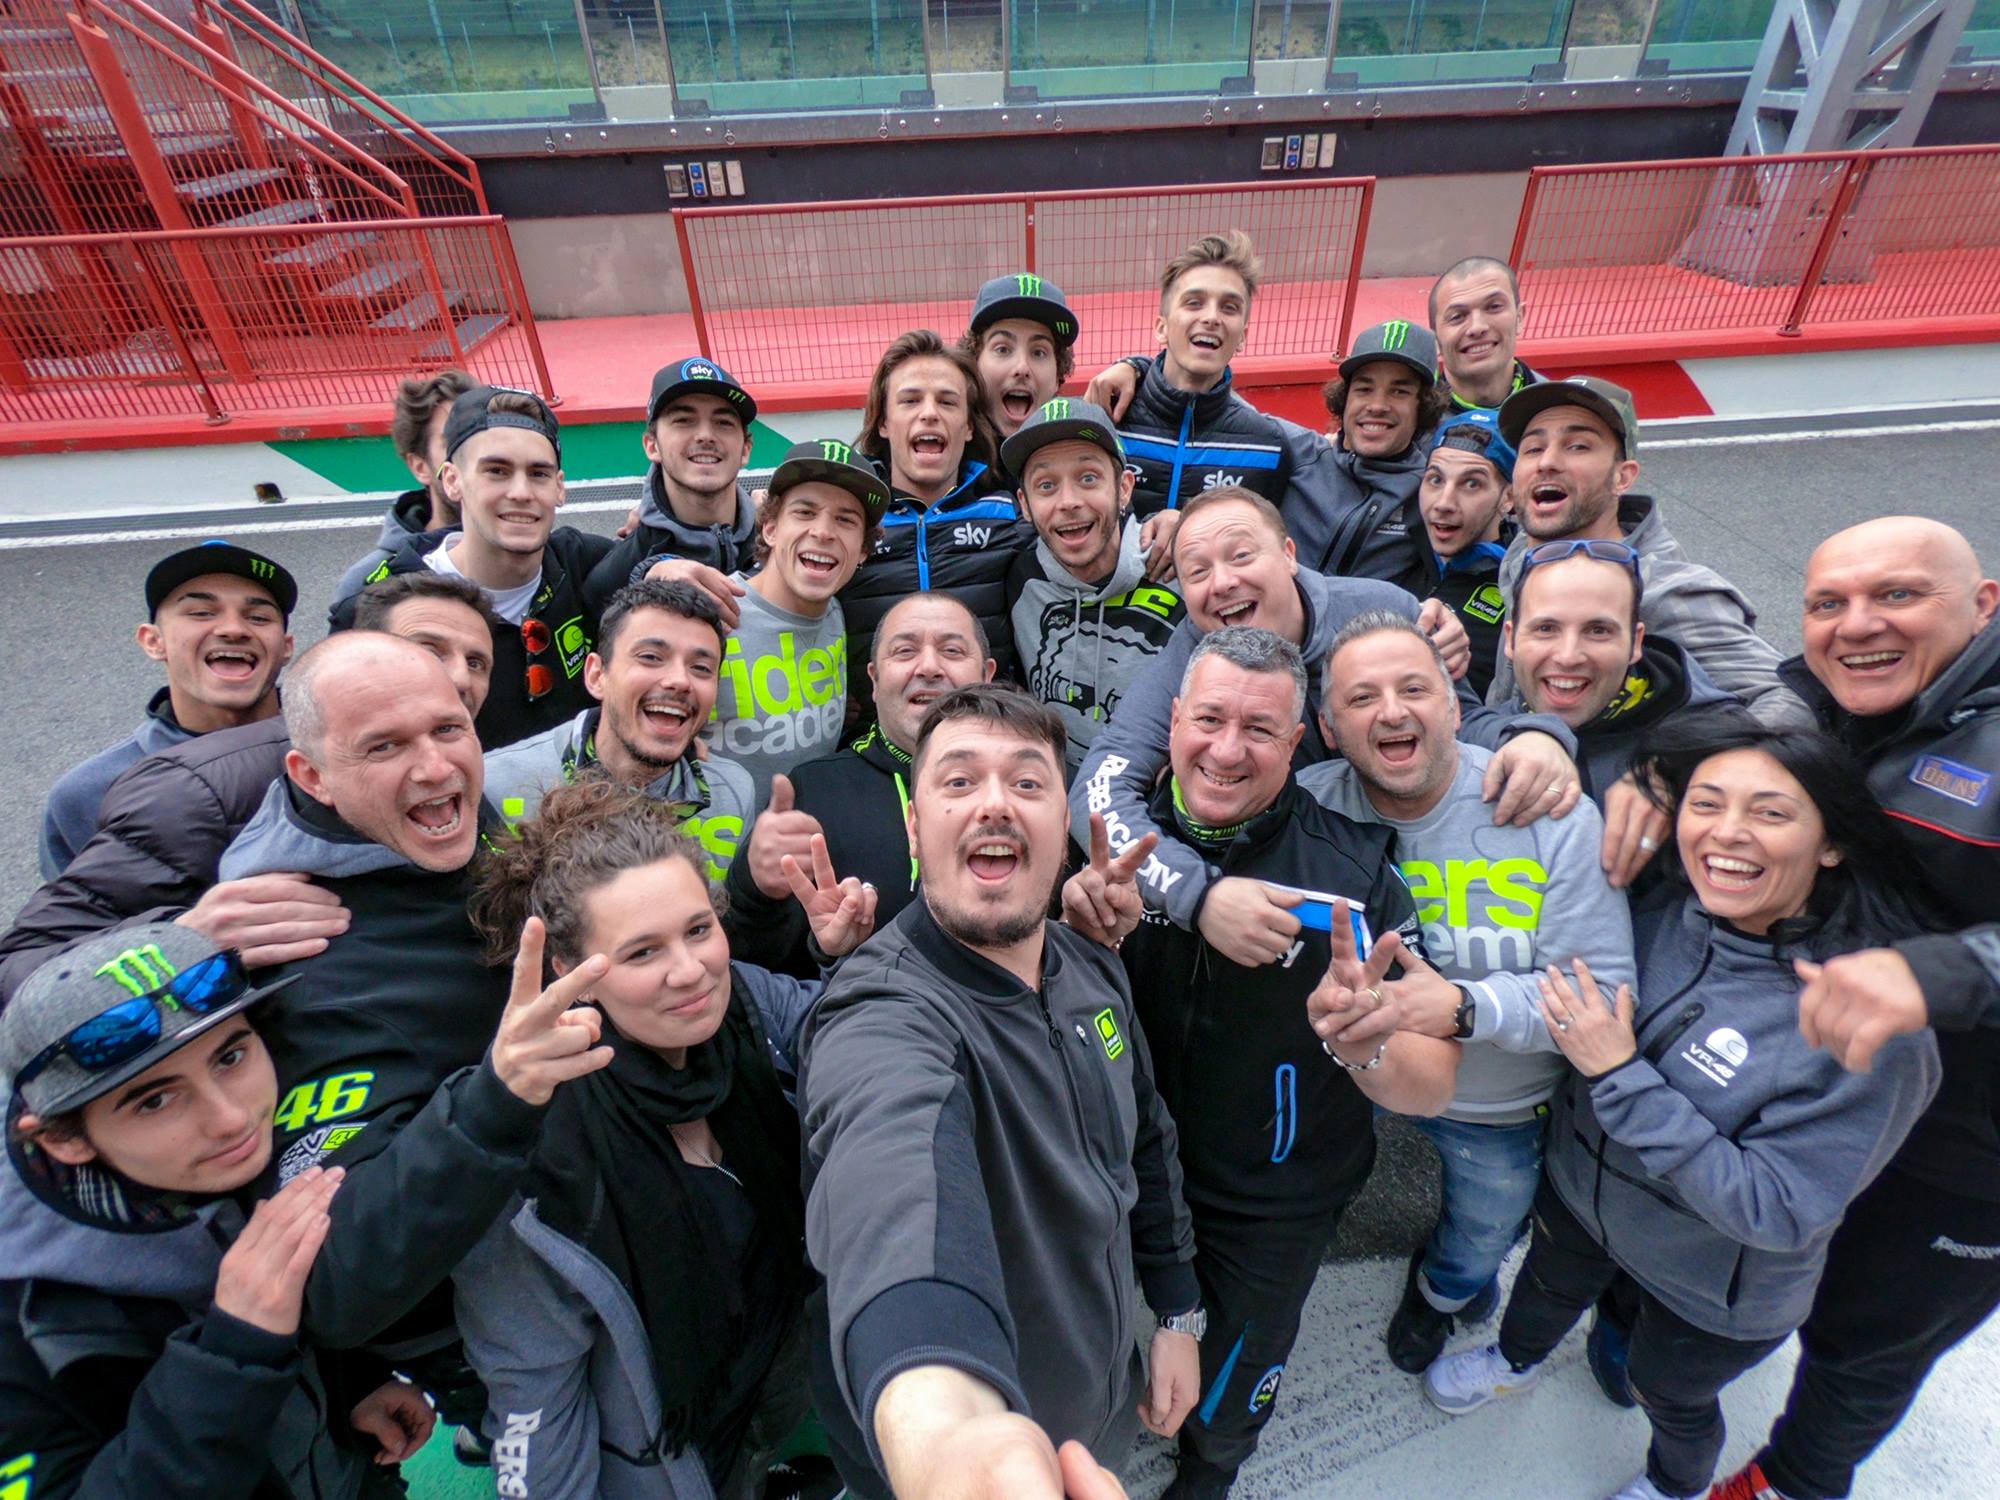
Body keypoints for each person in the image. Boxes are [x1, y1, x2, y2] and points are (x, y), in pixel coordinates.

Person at [1426, 723, 1943, 1500]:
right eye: (1708, 803)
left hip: (1715, 1289)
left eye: (1771, 813)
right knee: (1543, 1292)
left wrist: (1620, 1073)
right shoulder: (1656, 906)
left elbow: (1778, 1209)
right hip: (1582, 1200)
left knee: (1667, 1390)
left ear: (1833, 842)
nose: (1729, 832)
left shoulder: (1870, 1024)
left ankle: (1673, 1483)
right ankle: (1515, 1361)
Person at [799, 684, 1199, 1500]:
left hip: (1103, 1400)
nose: (994, 805)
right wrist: (949, 1437)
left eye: (1027, 782)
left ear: (1065, 826)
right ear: (915, 827)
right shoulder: (882, 1014)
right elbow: (895, 1186)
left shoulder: (1090, 965)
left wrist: (1177, 1312)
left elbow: (1145, 1142)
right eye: (957, 781)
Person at [1122, 627, 1460, 1498]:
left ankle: (1212, 1469)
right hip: (1118, 1171)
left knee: (1233, 1379)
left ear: (1301, 737)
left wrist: (1368, 1043)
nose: (1227, 750)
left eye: (1260, 730)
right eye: (1209, 719)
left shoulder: (1353, 874)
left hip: (1274, 1196)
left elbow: (1431, 1081)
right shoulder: (1115, 844)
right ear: (1170, 723)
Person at [220, 632, 614, 1367]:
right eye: (383, 748)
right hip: (479, 1334)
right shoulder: (303, 956)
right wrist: (499, 1096)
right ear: (312, 776)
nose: (434, 767)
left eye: (448, 728)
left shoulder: (455, 827)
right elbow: (330, 1281)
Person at [1707, 517, 2000, 1500]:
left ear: (1982, 604)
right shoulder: (1824, 693)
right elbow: (1763, 703)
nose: (1853, 625)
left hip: (1962, 1152)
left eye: (1895, 595)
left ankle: (1793, 1481)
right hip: (1828, 1093)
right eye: (1827, 602)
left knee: (1864, 1339)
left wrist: (1943, 971)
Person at [456, 779, 844, 1500]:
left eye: (699, 929)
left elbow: (861, 1034)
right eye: (641, 954)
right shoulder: (539, 1165)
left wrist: (841, 961)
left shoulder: (747, 1007)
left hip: (775, 1376)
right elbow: (538, 1413)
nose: (690, 970)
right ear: (572, 975)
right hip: (667, 1459)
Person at [1296, 610, 1636, 1374]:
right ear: (1328, 724)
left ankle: (1441, 1295)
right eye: (1360, 698)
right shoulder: (1305, 805)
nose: (1391, 711)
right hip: (1348, 1082)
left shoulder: (1546, 810)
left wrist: (1464, 1008)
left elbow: (1606, 997)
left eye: (1414, 688)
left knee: (1484, 1233)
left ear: (1453, 704)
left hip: (1498, 1109)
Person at [0, 923, 429, 1498]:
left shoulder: (188, 1162)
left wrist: (350, 1387)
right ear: (63, 1141)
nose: (230, 1117)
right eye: (155, 1099)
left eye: (230, 1055)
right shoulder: (20, 1329)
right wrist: (235, 1350)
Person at [1072, 487, 1581, 962]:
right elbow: (1099, 786)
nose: (1223, 581)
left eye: (1241, 555)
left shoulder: (1384, 612)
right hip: (1287, 890)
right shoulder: (1185, 661)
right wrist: (1198, 893)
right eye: (1197, 571)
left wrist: (1535, 737)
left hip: (1420, 870)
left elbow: (1460, 718)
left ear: (1289, 554)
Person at [0, 574, 501, 1008]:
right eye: (426, 652)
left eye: (476, 661)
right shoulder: (194, 793)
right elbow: (22, 972)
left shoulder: (462, 765)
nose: (457, 676)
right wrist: (180, 941)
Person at [1488, 376, 1810, 729]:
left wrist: (1680, 773)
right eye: (1533, 448)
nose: (1547, 462)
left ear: (1622, 478)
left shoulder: (1665, 591)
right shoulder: (1524, 550)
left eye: (1578, 446)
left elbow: (1786, 698)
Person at [722, 592, 997, 977]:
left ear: (987, 675)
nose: (929, 666)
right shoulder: (815, 790)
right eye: (905, 651)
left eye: (952, 651)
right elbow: (751, 966)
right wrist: (755, 888)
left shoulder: (1035, 784)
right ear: (873, 678)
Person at [335, 384, 615, 750]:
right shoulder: (378, 607)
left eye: (539, 474)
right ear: (452, 480)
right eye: (497, 471)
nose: (520, 492)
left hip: (584, 803)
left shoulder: (585, 561)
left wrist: (662, 564)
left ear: (560, 488)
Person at [42, 542, 296, 877]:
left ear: (286, 647)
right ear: (153, 641)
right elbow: (71, 924)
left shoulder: (344, 750)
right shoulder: (90, 793)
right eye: (201, 613)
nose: (234, 629)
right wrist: (185, 928)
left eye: (258, 617)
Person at [483, 579, 758, 880]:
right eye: (651, 657)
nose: (680, 680)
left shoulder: (732, 794)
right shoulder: (497, 784)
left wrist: (762, 894)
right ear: (597, 675)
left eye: (701, 668)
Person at [838, 331, 1028, 694]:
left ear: (969, 426)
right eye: (910, 400)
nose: (929, 413)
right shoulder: (849, 519)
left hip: (984, 728)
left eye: (947, 402)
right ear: (883, 423)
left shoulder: (1008, 514)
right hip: (873, 735)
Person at [1003, 397, 1185, 774]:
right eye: (1046, 485)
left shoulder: (1179, 566)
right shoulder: (1019, 577)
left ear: (1124, 488)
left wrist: (1197, 523)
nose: (1068, 502)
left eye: (1088, 478)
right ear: (1024, 503)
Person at [1499, 541, 1743, 802]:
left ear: (1636, 642)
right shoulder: (1479, 735)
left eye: (1598, 631)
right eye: (1546, 629)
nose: (1568, 657)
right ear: (1511, 640)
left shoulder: (1720, 751)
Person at [711, 441, 888, 800]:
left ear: (864, 550)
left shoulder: (836, 613)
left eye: (845, 519)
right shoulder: (716, 609)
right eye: (805, 512)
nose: (823, 531)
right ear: (770, 529)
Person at [584, 357, 762, 622]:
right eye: (684, 420)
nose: (705, 435)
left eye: (723, 422)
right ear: (651, 445)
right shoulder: (615, 577)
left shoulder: (779, 541)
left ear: (746, 449)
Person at [1281, 318, 1450, 593]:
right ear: (1345, 398)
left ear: (1423, 406)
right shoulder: (1298, 455)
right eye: (1364, 389)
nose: (1377, 406)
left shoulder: (1432, 494)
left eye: (1399, 391)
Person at [335, 368, 474, 598]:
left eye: (481, 438)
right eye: (454, 442)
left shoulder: (540, 555)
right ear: (420, 467)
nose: (478, 455)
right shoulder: (366, 585)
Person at [1418, 410, 1516, 699]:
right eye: (1435, 480)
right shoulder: (1398, 551)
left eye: (1472, 483)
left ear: (1508, 498)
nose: (1444, 503)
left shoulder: (1519, 588)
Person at [957, 272, 1078, 439]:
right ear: (974, 363)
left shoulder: (1081, 446)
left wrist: (1127, 368)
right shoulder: (948, 446)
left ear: (1058, 375)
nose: (1022, 368)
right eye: (1002, 349)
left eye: (1038, 352)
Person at [1428, 255, 1540, 414]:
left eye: (1494, 307)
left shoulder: (1563, 412)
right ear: (1436, 340)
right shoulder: (1413, 427)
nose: (1477, 327)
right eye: (1457, 317)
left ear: (1519, 318)